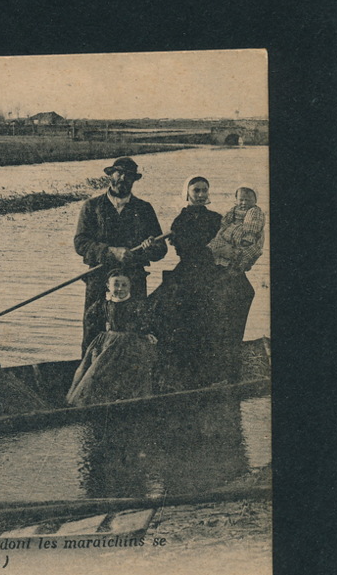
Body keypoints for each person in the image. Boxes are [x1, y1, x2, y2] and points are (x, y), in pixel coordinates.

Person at [74, 157, 166, 354]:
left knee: (134, 334)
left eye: (129, 176)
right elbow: (80, 243)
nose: (123, 178)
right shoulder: (92, 207)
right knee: (93, 332)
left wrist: (150, 246)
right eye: (119, 173)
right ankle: (88, 377)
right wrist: (110, 252)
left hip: (133, 280)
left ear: (134, 180)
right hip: (99, 279)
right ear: (110, 175)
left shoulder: (144, 209)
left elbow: (161, 250)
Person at [148, 177, 229, 391]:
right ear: (187, 193)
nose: (201, 195)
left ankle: (209, 374)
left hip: (211, 272)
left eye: (204, 191)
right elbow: (185, 249)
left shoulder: (218, 219)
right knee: (161, 310)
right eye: (196, 191)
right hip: (189, 271)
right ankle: (173, 372)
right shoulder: (180, 221)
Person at [66, 270, 157, 406]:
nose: (120, 289)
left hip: (130, 344)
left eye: (124, 285)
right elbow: (91, 320)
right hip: (108, 343)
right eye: (116, 285)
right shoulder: (103, 305)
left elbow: (144, 322)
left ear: (130, 286)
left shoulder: (137, 305)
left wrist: (147, 334)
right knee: (98, 371)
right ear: (108, 286)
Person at [207, 186, 265, 381]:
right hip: (226, 252)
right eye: (240, 199)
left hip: (241, 243)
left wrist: (242, 247)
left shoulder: (254, 213)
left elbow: (252, 233)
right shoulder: (231, 213)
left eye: (247, 200)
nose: (243, 202)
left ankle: (228, 369)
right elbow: (223, 226)